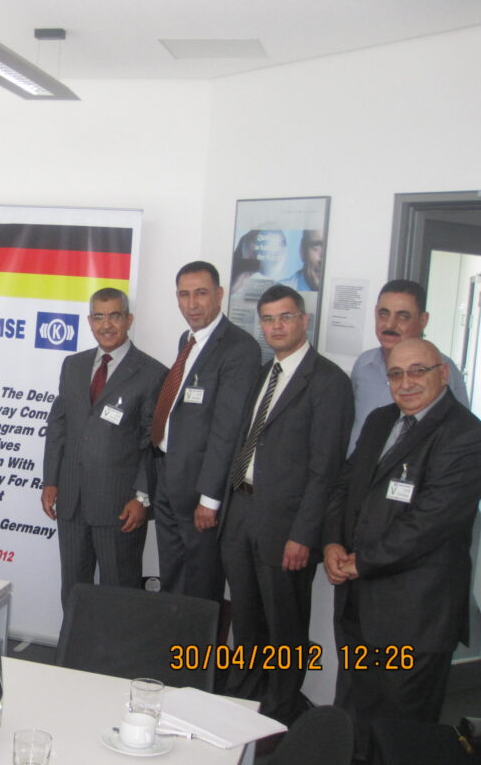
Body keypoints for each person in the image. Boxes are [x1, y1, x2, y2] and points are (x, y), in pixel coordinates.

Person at [323, 338, 481, 760]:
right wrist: (332, 541)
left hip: (416, 617)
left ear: (442, 374)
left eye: (417, 371)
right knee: (354, 715)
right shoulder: (381, 420)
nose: (405, 383)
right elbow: (344, 486)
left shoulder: (466, 435)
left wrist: (361, 562)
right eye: (396, 374)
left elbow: (430, 522)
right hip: (359, 607)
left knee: (401, 731)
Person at [219, 284, 353, 725]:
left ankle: (279, 709)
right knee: (247, 615)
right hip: (242, 512)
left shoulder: (329, 381)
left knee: (285, 624)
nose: (277, 326)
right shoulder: (264, 373)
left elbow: (325, 470)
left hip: (287, 526)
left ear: (304, 320)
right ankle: (244, 697)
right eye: (269, 319)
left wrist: (304, 535)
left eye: (286, 317)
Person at [41, 288, 167, 608]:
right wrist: (50, 480)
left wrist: (142, 497)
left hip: (120, 506)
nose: (106, 325)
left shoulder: (152, 373)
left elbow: (153, 443)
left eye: (114, 316)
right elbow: (58, 426)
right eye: (99, 316)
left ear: (129, 320)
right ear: (89, 321)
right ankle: (73, 642)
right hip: (71, 502)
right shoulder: (73, 365)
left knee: (119, 595)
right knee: (74, 591)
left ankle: (118, 645)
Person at [149, 262, 260, 601]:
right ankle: (173, 637)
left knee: (200, 585)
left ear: (219, 294)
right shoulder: (187, 341)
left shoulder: (239, 348)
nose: (192, 304)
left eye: (201, 293)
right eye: (184, 295)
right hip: (168, 477)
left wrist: (210, 499)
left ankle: (197, 641)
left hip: (200, 489)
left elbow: (227, 431)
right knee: (172, 577)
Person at [349, 279, 469, 449]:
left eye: (403, 316)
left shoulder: (440, 370)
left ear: (423, 320)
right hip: (360, 464)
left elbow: (460, 433)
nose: (390, 324)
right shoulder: (363, 364)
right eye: (384, 313)